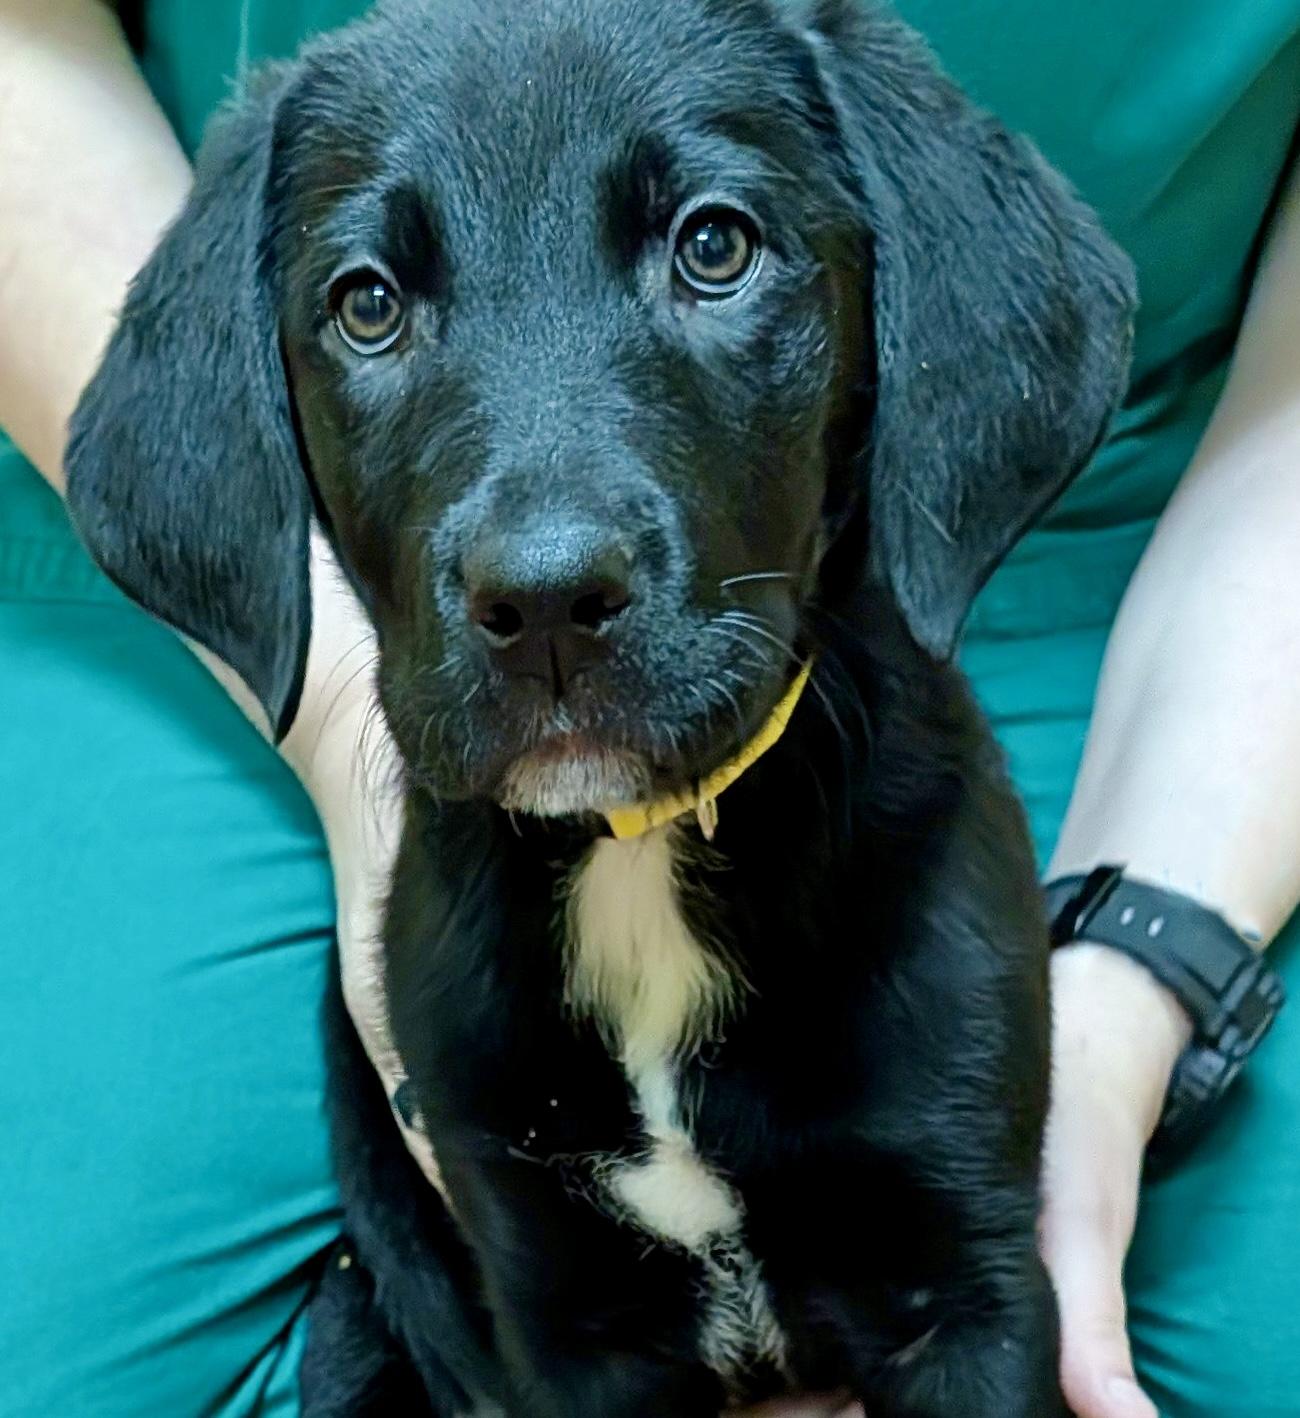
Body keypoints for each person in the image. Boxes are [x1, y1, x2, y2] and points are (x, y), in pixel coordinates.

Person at [0, 2, 1297, 1416]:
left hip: (1090, 539)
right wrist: (323, 714)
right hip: (305, 612)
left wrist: (1138, 961)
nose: (545, 561)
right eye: (372, 303)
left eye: (714, 248)